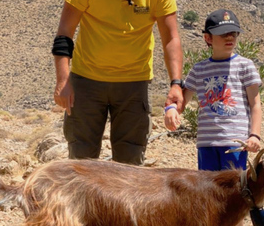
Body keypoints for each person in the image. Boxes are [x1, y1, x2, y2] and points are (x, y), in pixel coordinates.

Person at [164, 9, 262, 226]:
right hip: (206, 143)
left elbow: (255, 104)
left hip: (235, 144)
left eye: (233, 33)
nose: (229, 37)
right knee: (208, 196)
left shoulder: (245, 66)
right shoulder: (199, 69)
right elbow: (183, 98)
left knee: (236, 196)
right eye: (222, 34)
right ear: (208, 38)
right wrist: (172, 109)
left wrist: (254, 135)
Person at [52, 0, 183, 165]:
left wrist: (176, 84)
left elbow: (171, 39)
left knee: (130, 163)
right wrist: (63, 81)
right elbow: (64, 33)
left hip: (134, 84)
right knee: (81, 160)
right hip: (86, 81)